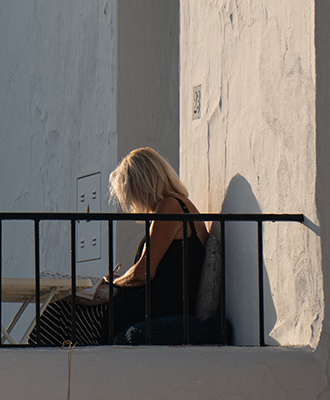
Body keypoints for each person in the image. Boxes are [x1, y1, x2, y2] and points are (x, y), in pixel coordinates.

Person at [26, 147, 208, 346]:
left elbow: (143, 273)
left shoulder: (169, 207)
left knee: (58, 309)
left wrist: (114, 283)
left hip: (153, 308)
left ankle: (35, 362)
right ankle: (47, 361)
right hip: (161, 303)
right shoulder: (183, 206)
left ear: (142, 186)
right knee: (62, 311)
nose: (133, 202)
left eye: (131, 194)